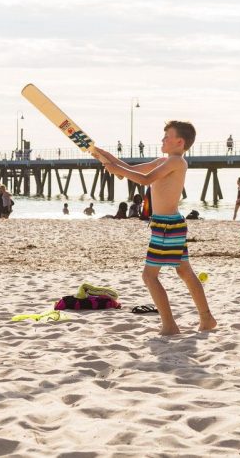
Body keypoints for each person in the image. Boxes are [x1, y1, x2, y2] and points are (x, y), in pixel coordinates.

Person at [93, 120, 217, 335]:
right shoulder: (164, 161)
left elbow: (145, 178)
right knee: (185, 272)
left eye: (166, 136)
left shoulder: (177, 162)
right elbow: (129, 169)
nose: (162, 139)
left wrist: (115, 168)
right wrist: (104, 155)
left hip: (167, 225)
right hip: (169, 224)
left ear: (179, 142)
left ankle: (169, 325)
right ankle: (207, 319)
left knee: (149, 276)